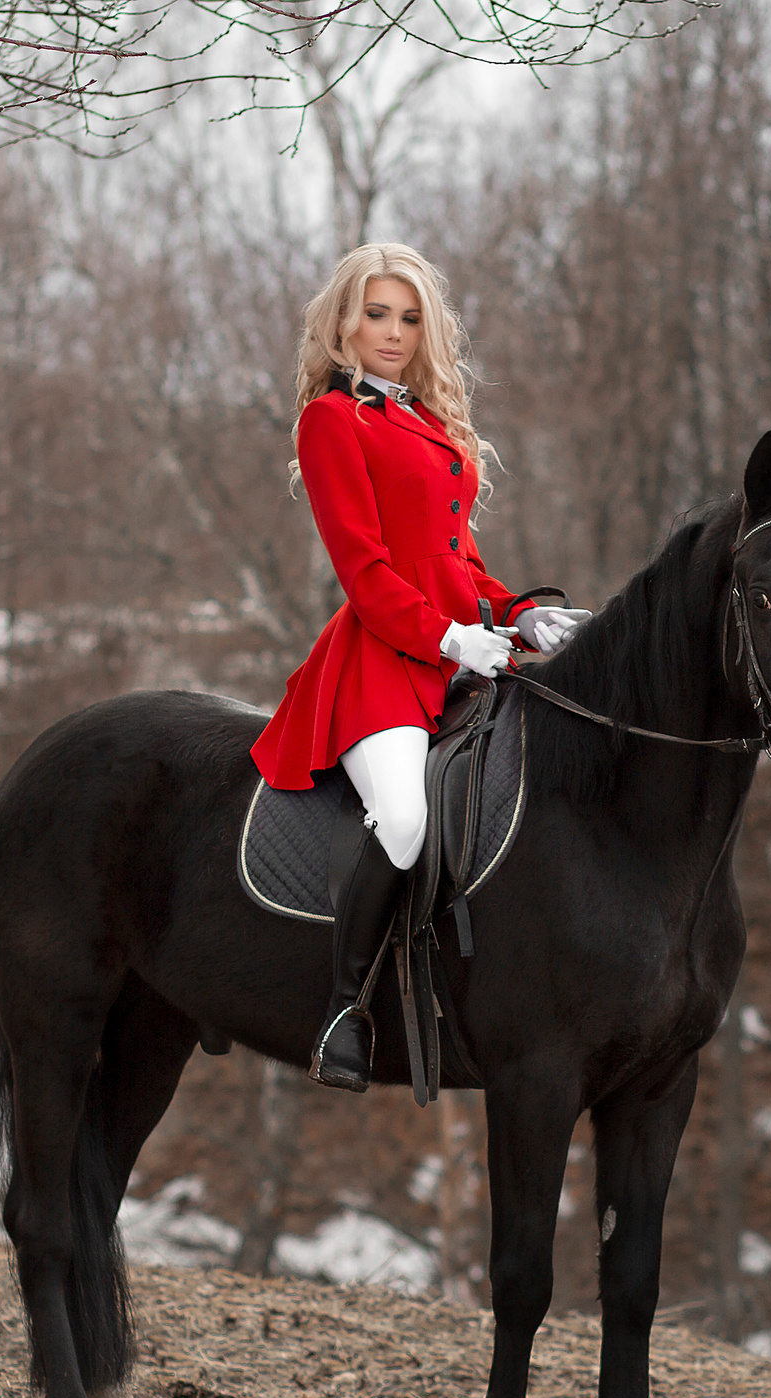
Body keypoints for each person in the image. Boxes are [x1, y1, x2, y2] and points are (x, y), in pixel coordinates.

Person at [250, 243, 588, 1091]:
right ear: (341, 324)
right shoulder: (332, 419)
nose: (393, 333)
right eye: (376, 315)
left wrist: (516, 613)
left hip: (455, 656)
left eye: (408, 318)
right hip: (380, 662)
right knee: (403, 819)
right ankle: (342, 1009)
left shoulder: (430, 425)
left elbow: (459, 561)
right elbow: (365, 575)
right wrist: (449, 638)